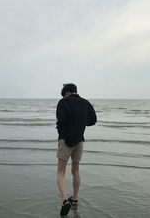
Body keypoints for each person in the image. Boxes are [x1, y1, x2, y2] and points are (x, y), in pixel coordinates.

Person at [56, 83, 97, 216]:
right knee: (76, 170)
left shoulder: (63, 102)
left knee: (61, 172)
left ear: (67, 92)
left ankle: (64, 201)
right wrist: (79, 122)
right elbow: (93, 120)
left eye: (64, 94)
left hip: (65, 139)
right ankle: (74, 199)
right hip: (79, 140)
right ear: (75, 91)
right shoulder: (85, 103)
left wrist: (62, 130)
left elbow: (61, 120)